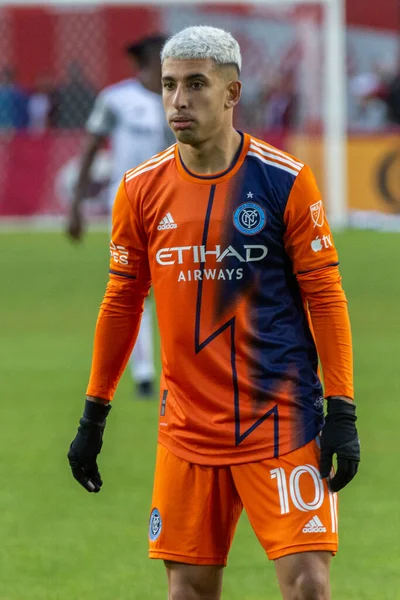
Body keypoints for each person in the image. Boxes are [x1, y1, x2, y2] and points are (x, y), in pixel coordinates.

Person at [68, 26, 360, 600]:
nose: (178, 100)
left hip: (280, 422)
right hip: (187, 430)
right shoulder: (139, 189)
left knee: (308, 586)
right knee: (188, 592)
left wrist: (343, 408)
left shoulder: (284, 180)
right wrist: (93, 414)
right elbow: (123, 302)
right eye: (170, 85)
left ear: (231, 93)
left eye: (196, 84)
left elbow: (326, 296)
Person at [66, 34, 169, 398]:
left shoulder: (181, 100)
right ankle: (143, 372)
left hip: (173, 204)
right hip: (126, 203)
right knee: (135, 287)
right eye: (163, 57)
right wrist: (76, 205)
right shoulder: (116, 99)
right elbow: (92, 147)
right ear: (146, 60)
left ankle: (177, 367)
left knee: (180, 282)